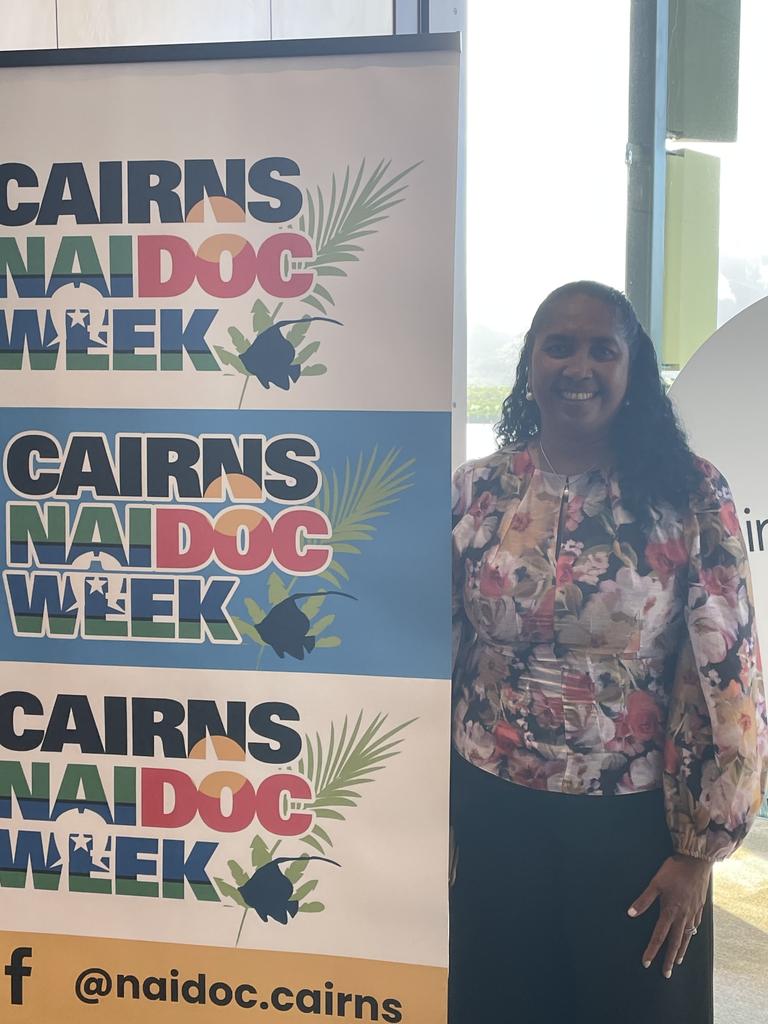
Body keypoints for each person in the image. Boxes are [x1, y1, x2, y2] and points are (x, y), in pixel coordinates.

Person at [449, 281, 767, 1024]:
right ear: (531, 363)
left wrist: (700, 853)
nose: (578, 365)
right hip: (494, 812)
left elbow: (732, 675)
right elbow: (445, 646)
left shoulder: (688, 492)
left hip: (633, 829)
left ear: (633, 367)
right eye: (558, 345)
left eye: (603, 348)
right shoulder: (480, 492)